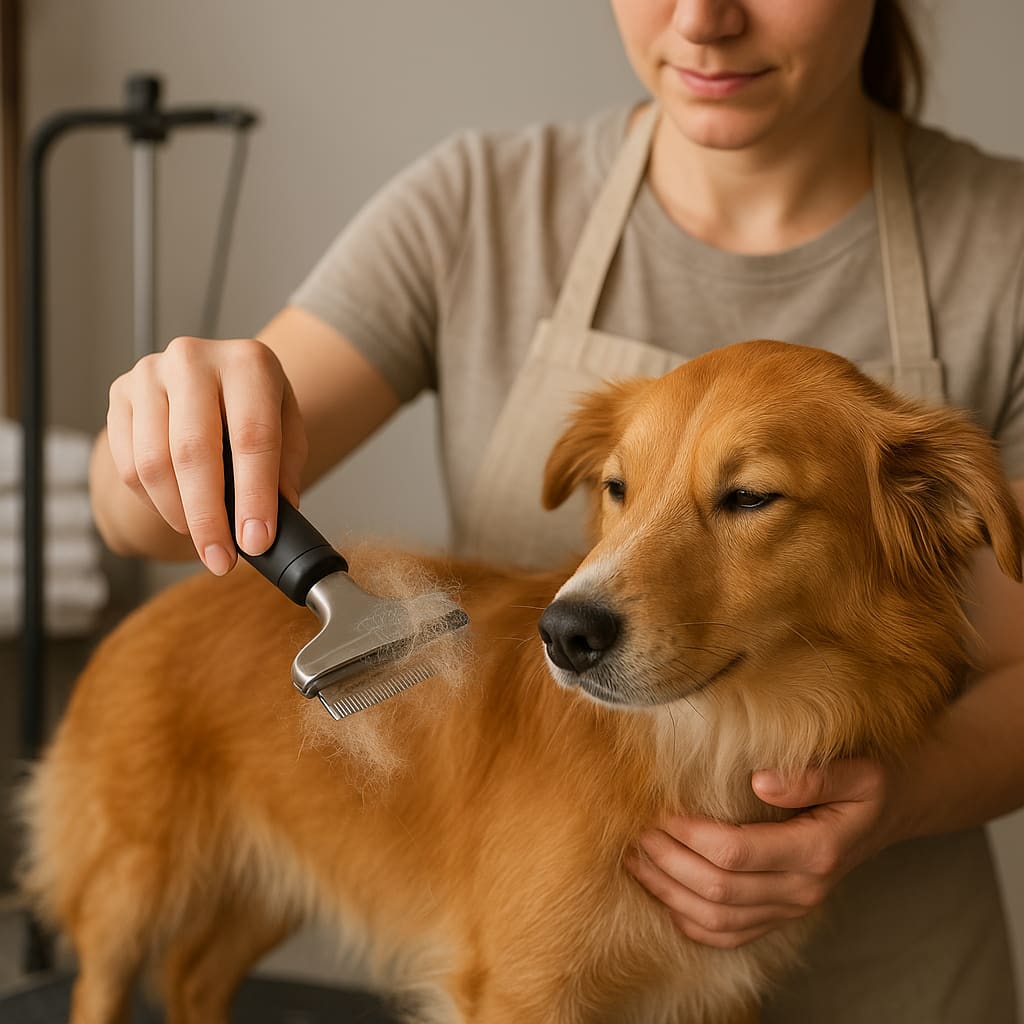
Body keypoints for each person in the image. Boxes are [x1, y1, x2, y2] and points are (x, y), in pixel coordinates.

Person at [89, 1, 1024, 1019]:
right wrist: (163, 426)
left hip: (901, 977)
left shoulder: (1005, 245)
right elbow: (143, 520)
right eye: (616, 488)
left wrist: (899, 801)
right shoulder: (477, 202)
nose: (703, 19)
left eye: (746, 495)